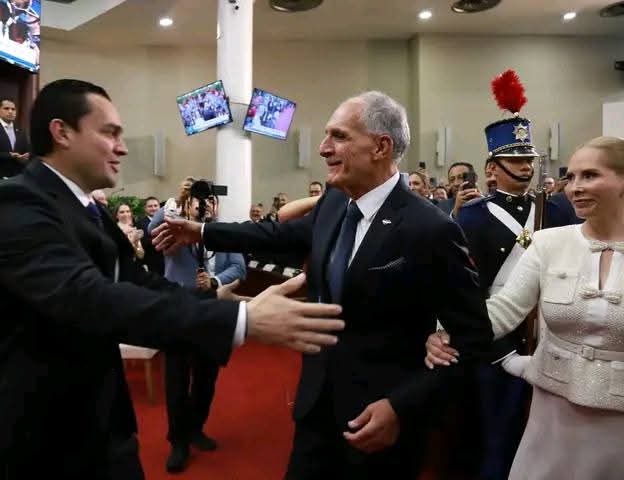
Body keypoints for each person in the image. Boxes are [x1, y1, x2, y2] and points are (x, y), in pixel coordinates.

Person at [0, 79, 344, 480]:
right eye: (110, 133)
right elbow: (90, 299)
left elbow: (140, 283)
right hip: (34, 440)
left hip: (99, 426)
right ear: (62, 132)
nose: (122, 148)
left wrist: (236, 307)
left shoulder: (86, 210)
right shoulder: (16, 204)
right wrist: (245, 321)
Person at [152, 91, 493, 480]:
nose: (323, 147)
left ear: (381, 147)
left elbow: (475, 339)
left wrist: (402, 407)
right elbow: (277, 235)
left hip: (379, 425)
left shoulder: (431, 228)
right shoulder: (333, 203)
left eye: (339, 136)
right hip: (315, 408)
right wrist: (200, 232)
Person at [428, 136, 624, 479]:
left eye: (590, 175)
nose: (575, 188)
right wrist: (445, 332)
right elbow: (503, 310)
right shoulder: (548, 243)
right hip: (555, 411)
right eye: (571, 177)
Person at [433, 69, 539, 480]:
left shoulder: (554, 211)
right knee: (498, 434)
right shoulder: (473, 218)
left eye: (528, 159)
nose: (525, 167)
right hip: (495, 341)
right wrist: (500, 350)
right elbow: (463, 289)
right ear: (493, 167)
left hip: (546, 336)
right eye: (516, 160)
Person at [149, 183, 246, 472]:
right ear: (188, 203)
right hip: (178, 308)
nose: (205, 205)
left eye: (210, 201)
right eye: (198, 200)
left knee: (207, 377)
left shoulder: (224, 232)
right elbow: (152, 228)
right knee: (177, 378)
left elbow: (239, 268)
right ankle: (178, 441)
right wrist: (176, 200)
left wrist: (215, 281)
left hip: (212, 308)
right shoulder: (174, 227)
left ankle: (195, 429)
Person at [136, 196, 164, 275]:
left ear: (159, 207)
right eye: (150, 206)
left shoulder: (166, 220)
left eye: (155, 206)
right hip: (152, 261)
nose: (153, 208)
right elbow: (143, 242)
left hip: (167, 260)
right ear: (145, 208)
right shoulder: (140, 223)